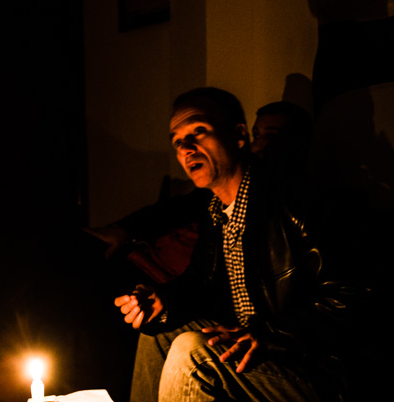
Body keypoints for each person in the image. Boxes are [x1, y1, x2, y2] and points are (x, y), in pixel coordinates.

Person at [114, 87, 353, 402]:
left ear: (239, 135)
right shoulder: (216, 211)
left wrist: (272, 333)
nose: (185, 148)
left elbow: (352, 299)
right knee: (157, 332)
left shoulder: (298, 203)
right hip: (260, 349)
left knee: (190, 351)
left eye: (198, 132)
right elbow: (202, 284)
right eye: (177, 140)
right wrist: (162, 301)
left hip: (314, 368)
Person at [86, 100, 314, 284]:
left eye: (273, 135)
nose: (261, 144)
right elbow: (175, 210)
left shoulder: (299, 206)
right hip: (148, 267)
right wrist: (122, 229)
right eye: (258, 134)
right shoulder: (215, 202)